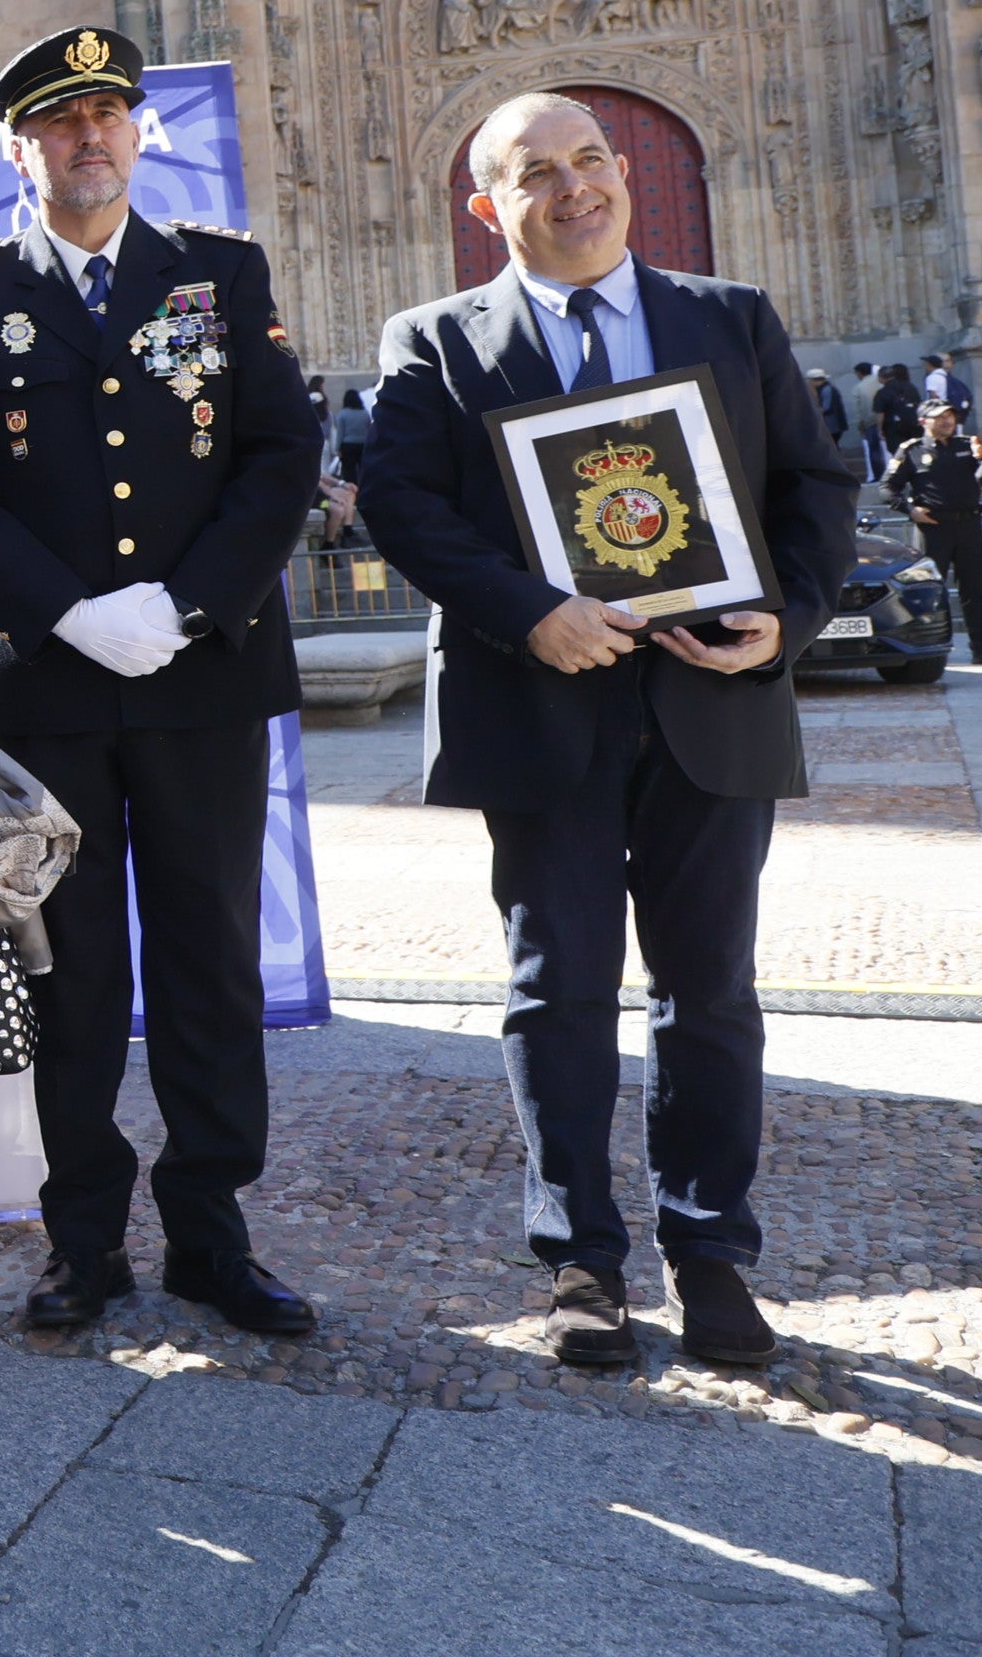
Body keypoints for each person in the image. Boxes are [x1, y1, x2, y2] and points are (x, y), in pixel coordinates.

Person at [357, 92, 853, 1371]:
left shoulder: (730, 316)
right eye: (536, 173)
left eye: (591, 161)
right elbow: (406, 506)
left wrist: (785, 622)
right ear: (488, 206)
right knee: (556, 989)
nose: (574, 189)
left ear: (624, 173)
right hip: (541, 709)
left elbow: (815, 485)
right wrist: (531, 613)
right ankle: (581, 1252)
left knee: (712, 995)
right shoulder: (435, 343)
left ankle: (711, 1250)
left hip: (711, 703)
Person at [0, 28, 325, 1340]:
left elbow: (278, 450)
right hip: (54, 695)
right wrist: (74, 613)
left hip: (203, 681)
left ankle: (211, 1234)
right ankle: (81, 1241)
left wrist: (186, 603)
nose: (87, 138)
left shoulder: (217, 272)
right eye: (58, 121)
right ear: (19, 148)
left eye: (106, 114)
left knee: (209, 966)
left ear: (138, 132)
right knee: (70, 975)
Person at [886, 398, 982, 636]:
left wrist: (980, 459)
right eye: (939, 416)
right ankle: (934, 647)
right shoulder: (912, 449)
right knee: (929, 591)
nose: (947, 420)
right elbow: (887, 488)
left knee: (975, 589)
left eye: (950, 415)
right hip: (934, 528)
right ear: (923, 421)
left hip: (969, 525)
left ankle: (979, 649)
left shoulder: (969, 445)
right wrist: (910, 510)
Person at [852, 362, 887, 482]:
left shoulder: (859, 387)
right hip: (887, 419)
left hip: (870, 421)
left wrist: (860, 426)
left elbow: (859, 410)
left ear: (859, 373)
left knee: (874, 450)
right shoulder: (880, 382)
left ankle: (879, 476)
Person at [331, 388, 373, 487]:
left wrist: (337, 448)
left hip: (347, 445)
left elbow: (340, 433)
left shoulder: (343, 414)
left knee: (349, 471)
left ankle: (351, 488)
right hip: (363, 445)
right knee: (362, 470)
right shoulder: (364, 413)